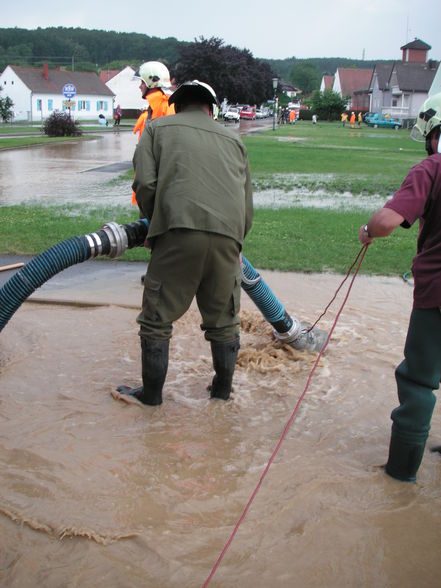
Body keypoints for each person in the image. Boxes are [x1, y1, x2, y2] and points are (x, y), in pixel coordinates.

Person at [116, 80, 253, 406]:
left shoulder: (156, 129)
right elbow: (246, 205)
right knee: (224, 323)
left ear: (178, 104)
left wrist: (156, 225)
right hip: (228, 240)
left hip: (176, 233)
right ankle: (221, 394)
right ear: (211, 109)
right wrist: (235, 244)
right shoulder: (235, 140)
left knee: (156, 319)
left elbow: (145, 183)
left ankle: (150, 399)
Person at [358, 92, 441, 482]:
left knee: (419, 380)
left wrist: (368, 230)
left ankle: (399, 478)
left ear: (431, 132)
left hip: (437, 294)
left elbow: (389, 221)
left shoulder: (431, 168)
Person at [131, 62, 176, 206]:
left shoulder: (167, 106)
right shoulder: (153, 108)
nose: (140, 86)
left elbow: (170, 144)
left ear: (151, 82)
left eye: (142, 82)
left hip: (160, 179)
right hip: (152, 174)